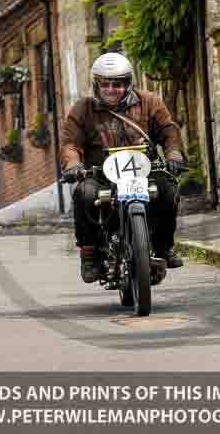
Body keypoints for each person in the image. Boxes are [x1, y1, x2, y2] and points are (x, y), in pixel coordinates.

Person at [60, 52, 187, 284]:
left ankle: (164, 245)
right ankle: (90, 254)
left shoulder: (150, 102)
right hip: (100, 176)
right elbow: (70, 142)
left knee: (168, 190)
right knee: (83, 194)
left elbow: (169, 131)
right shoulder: (82, 109)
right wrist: (73, 164)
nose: (111, 89)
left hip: (144, 172)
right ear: (96, 84)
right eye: (105, 84)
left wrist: (174, 154)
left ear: (128, 83)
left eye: (117, 84)